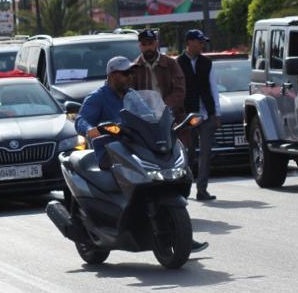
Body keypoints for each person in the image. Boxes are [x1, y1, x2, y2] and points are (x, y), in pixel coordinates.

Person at [78, 54, 207, 253]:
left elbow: (149, 114)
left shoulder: (133, 96)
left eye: (131, 72)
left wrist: (164, 121)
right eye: (125, 73)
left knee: (170, 175)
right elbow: (81, 120)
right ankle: (117, 220)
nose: (130, 76)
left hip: (137, 146)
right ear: (112, 75)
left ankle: (177, 231)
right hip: (111, 151)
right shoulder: (97, 98)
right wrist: (90, 130)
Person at [177, 29, 220, 202]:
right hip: (188, 116)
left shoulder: (207, 63)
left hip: (206, 115)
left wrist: (216, 113)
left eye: (203, 42)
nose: (202, 45)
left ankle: (202, 190)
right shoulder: (178, 63)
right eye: (199, 42)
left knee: (206, 153)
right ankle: (183, 189)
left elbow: (213, 88)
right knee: (188, 154)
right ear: (190, 42)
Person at [130, 29, 186, 122]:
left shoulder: (171, 63)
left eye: (150, 43)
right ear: (140, 46)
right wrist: (144, 110)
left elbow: (180, 90)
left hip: (172, 116)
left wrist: (163, 106)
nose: (148, 47)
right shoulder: (134, 67)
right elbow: (131, 94)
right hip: (145, 118)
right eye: (144, 44)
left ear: (156, 43)